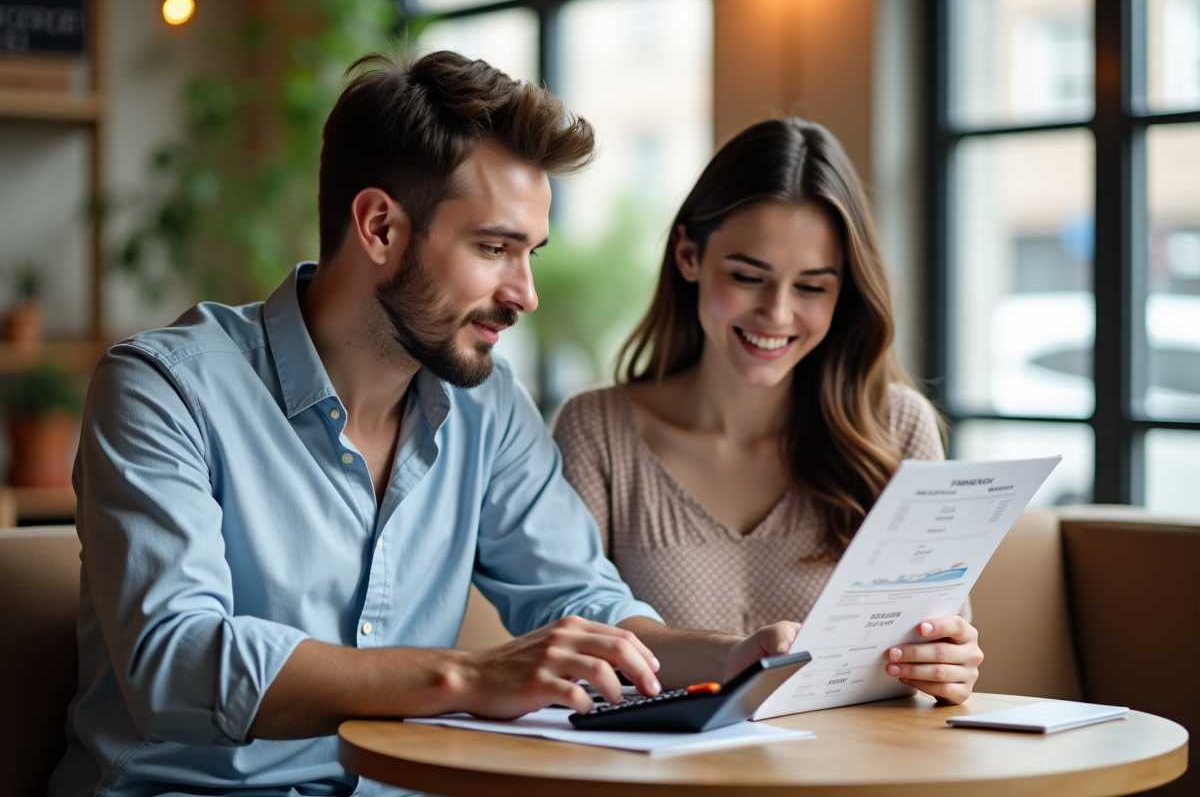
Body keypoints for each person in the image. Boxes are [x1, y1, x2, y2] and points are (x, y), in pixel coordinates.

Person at [50, 52, 797, 797]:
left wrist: (736, 657)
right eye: (495, 248)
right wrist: (469, 675)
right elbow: (177, 662)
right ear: (379, 227)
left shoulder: (488, 407)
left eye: (531, 252)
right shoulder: (162, 390)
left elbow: (584, 604)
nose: (526, 293)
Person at [553, 118, 984, 706]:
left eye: (812, 287)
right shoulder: (596, 432)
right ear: (688, 255)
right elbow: (573, 646)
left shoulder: (896, 427)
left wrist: (947, 665)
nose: (776, 314)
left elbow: (937, 652)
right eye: (748, 277)